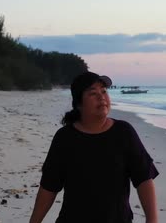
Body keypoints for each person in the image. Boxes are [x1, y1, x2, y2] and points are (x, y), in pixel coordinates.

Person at [29, 71, 159, 223]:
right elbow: (49, 187)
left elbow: (144, 179)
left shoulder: (124, 132)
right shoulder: (65, 138)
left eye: (104, 91)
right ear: (78, 103)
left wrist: (152, 220)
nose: (101, 97)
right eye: (93, 93)